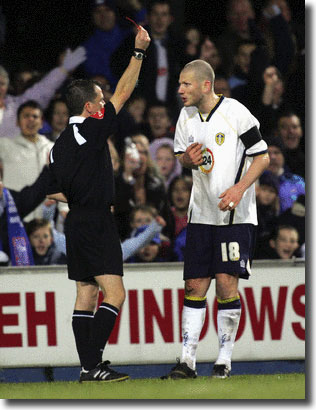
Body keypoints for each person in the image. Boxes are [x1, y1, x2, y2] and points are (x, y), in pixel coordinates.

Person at [46, 25, 150, 382]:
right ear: (90, 108)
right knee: (115, 293)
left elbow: (54, 191)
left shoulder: (59, 144)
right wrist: (138, 52)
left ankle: (89, 367)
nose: (106, 102)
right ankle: (93, 365)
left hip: (76, 222)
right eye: (100, 100)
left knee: (86, 293)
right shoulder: (91, 129)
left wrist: (80, 197)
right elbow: (124, 91)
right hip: (95, 222)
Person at [161, 59, 269, 380]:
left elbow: (262, 156)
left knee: (225, 284)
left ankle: (223, 361)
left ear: (205, 85)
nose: (180, 90)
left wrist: (239, 188)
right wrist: (185, 160)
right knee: (194, 285)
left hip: (234, 215)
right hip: (201, 214)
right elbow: (183, 156)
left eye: (186, 84)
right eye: (179, 84)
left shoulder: (236, 112)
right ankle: (187, 361)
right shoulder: (186, 116)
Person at [0, 100, 69, 222]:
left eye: (35, 116)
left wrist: (64, 207)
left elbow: (63, 180)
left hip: (44, 223)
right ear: (17, 122)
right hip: (15, 219)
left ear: (41, 122)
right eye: (26, 116)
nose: (31, 120)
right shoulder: (5, 146)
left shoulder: (52, 148)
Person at [0, 46, 86, 138]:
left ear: (7, 86)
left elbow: (44, 88)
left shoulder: (17, 105)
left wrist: (63, 70)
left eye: (2, 84)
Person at [266, 138, 305, 213]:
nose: (272, 157)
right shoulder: (253, 182)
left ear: (283, 156)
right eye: (267, 153)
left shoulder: (297, 181)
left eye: (277, 152)